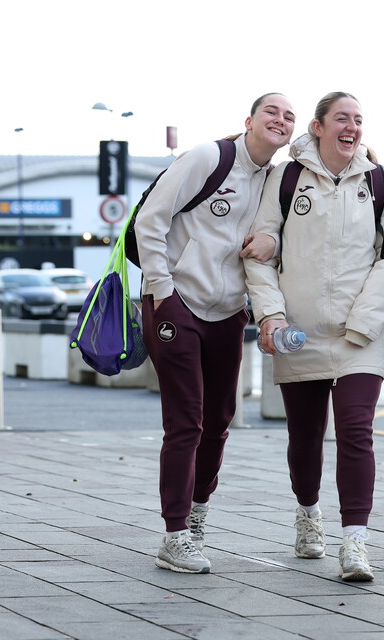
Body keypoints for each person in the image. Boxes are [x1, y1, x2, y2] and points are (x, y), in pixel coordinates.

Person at [245, 92, 384, 581]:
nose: (352, 127)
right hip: (298, 331)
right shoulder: (287, 178)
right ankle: (308, 513)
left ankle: (355, 541)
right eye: (342, 118)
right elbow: (259, 255)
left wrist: (366, 318)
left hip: (361, 334)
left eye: (359, 120)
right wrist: (272, 317)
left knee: (357, 432)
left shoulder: (383, 182)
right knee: (305, 436)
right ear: (318, 128)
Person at [134, 93, 296, 573]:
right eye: (271, 111)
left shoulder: (278, 180)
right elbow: (151, 219)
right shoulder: (208, 157)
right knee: (186, 419)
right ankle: (175, 533)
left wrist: (275, 239)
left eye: (289, 116)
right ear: (248, 120)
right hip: (176, 303)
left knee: (220, 420)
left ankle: (198, 517)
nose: (280, 120)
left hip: (228, 311)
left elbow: (282, 234)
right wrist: (161, 290)